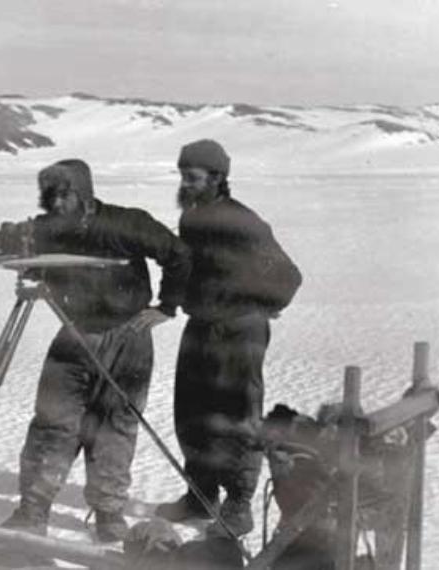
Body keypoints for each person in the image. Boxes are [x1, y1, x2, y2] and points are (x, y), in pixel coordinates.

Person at [0, 159, 191, 542]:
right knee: (52, 421)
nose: (54, 204)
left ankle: (108, 513)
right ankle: (33, 510)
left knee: (115, 426)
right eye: (49, 195)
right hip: (74, 333)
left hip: (128, 337)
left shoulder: (127, 223)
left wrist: (166, 306)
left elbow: (179, 254)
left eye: (62, 195)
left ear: (82, 194)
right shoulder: (47, 228)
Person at [155, 140, 302, 536]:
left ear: (217, 178)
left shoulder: (243, 222)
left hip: (239, 331)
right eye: (182, 176)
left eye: (192, 177)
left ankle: (239, 505)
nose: (184, 184)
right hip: (201, 326)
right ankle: (200, 497)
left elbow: (288, 277)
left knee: (236, 415)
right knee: (191, 411)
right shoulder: (192, 217)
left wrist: (255, 304)